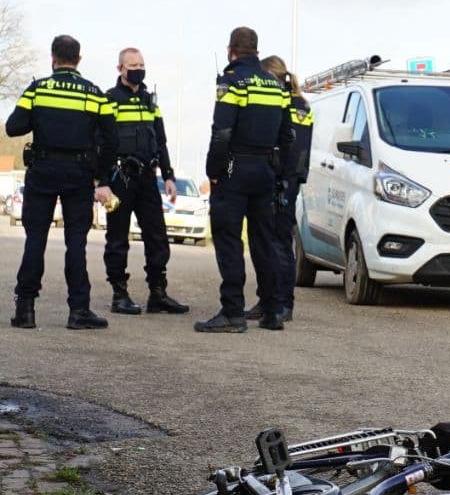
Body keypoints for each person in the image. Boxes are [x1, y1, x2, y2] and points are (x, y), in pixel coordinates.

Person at [4, 34, 118, 331]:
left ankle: (25, 310)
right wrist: (102, 177)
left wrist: (41, 119)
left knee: (35, 239)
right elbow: (112, 140)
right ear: (78, 59)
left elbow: (13, 127)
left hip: (42, 169)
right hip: (79, 174)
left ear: (53, 58)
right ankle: (79, 310)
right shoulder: (95, 94)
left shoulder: (38, 89)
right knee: (76, 243)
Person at [195, 27, 293, 334]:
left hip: (235, 170)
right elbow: (287, 136)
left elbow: (222, 131)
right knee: (264, 241)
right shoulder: (276, 86)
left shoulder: (232, 81)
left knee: (229, 240)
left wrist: (213, 170)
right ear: (257, 51)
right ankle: (273, 311)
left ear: (230, 50)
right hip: (265, 171)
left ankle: (232, 312)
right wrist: (279, 172)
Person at [103, 48, 189, 316]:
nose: (138, 69)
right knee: (117, 238)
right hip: (120, 179)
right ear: (120, 69)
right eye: (133, 65)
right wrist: (101, 181)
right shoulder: (109, 100)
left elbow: (161, 141)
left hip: (148, 179)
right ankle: (119, 294)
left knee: (157, 236)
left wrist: (169, 175)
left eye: (141, 64)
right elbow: (101, 143)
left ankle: (158, 294)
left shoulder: (150, 102)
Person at [246, 55, 312, 323]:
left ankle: (284, 303)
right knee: (264, 243)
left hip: (285, 181)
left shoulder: (296, 105)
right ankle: (267, 300)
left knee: (280, 243)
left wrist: (281, 178)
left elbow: (293, 148)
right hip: (273, 179)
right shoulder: (284, 101)